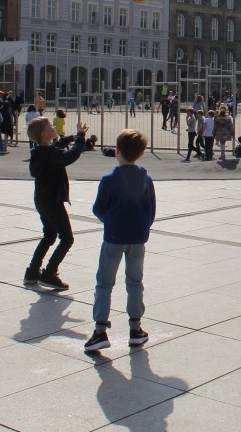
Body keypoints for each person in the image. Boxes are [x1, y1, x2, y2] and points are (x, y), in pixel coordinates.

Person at [83, 129, 156, 353]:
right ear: (141, 153)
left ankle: (100, 331)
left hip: (114, 236)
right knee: (135, 282)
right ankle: (135, 329)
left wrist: (110, 221)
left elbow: (98, 208)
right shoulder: (146, 179)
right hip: (137, 238)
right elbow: (151, 211)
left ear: (117, 151)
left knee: (104, 282)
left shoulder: (109, 179)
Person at [24, 116, 88, 290]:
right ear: (45, 133)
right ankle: (50, 273)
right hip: (53, 202)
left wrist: (72, 137)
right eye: (51, 125)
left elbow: (56, 146)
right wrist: (80, 139)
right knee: (67, 238)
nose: (54, 126)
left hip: (42, 200)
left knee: (49, 236)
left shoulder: (39, 152)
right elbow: (72, 155)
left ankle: (32, 272)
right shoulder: (51, 154)